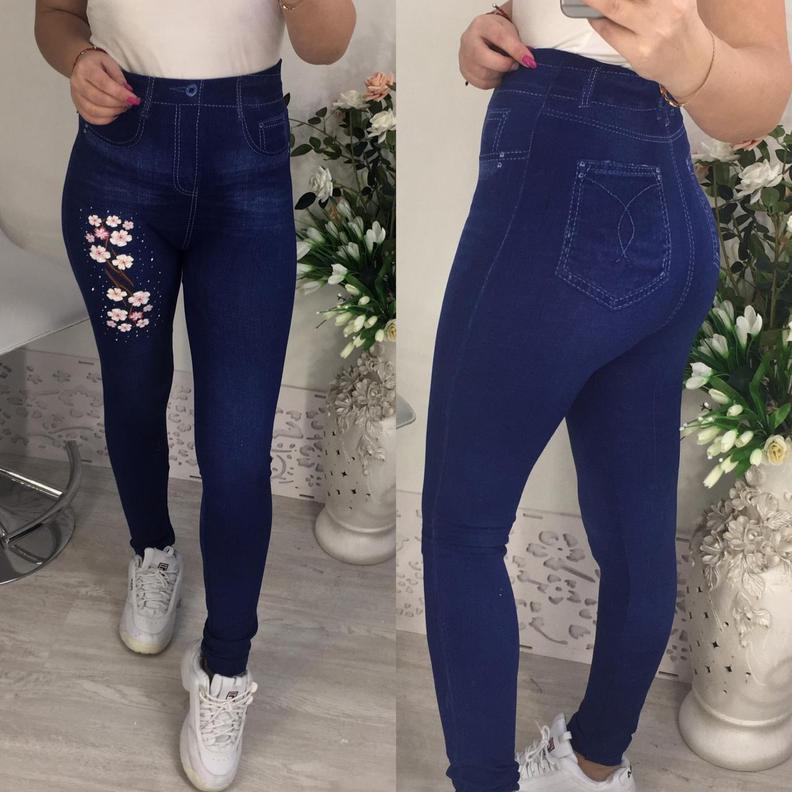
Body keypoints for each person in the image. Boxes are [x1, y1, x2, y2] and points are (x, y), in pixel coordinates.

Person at [420, 1, 792, 791]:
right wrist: (490, 31)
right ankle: (593, 768)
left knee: (461, 532)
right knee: (633, 534)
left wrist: (692, 57)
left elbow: (761, 98)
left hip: (557, 191)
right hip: (666, 210)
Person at [33, 2, 356, 790]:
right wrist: (76, 58)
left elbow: (327, 41)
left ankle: (224, 668)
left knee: (238, 449)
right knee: (134, 391)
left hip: (245, 168)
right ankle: (153, 551)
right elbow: (55, 14)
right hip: (118, 166)